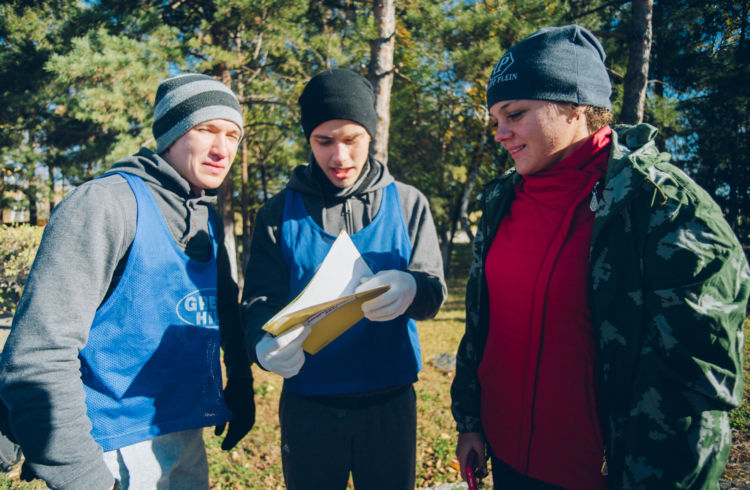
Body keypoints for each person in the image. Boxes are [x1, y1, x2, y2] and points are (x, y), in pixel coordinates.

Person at [451, 24, 749, 490]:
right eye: (495, 119)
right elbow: (482, 324)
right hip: (509, 462)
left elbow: (696, 388)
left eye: (515, 113)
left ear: (574, 106)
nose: (500, 133)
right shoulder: (500, 202)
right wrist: (470, 420)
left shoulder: (664, 208)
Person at [0, 73, 255, 489]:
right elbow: (37, 357)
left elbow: (224, 306)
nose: (222, 149)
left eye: (233, 135)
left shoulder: (205, 215)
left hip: (183, 436)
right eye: (205, 129)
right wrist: (84, 477)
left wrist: (241, 383)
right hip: (109, 448)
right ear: (172, 132)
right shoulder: (105, 205)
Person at [241, 68, 446, 490]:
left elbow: (433, 290)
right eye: (324, 141)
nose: (340, 157)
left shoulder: (408, 204)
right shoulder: (277, 214)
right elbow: (259, 299)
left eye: (352, 139)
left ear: (372, 134)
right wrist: (259, 344)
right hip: (309, 405)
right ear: (308, 140)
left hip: (389, 404)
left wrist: (412, 288)